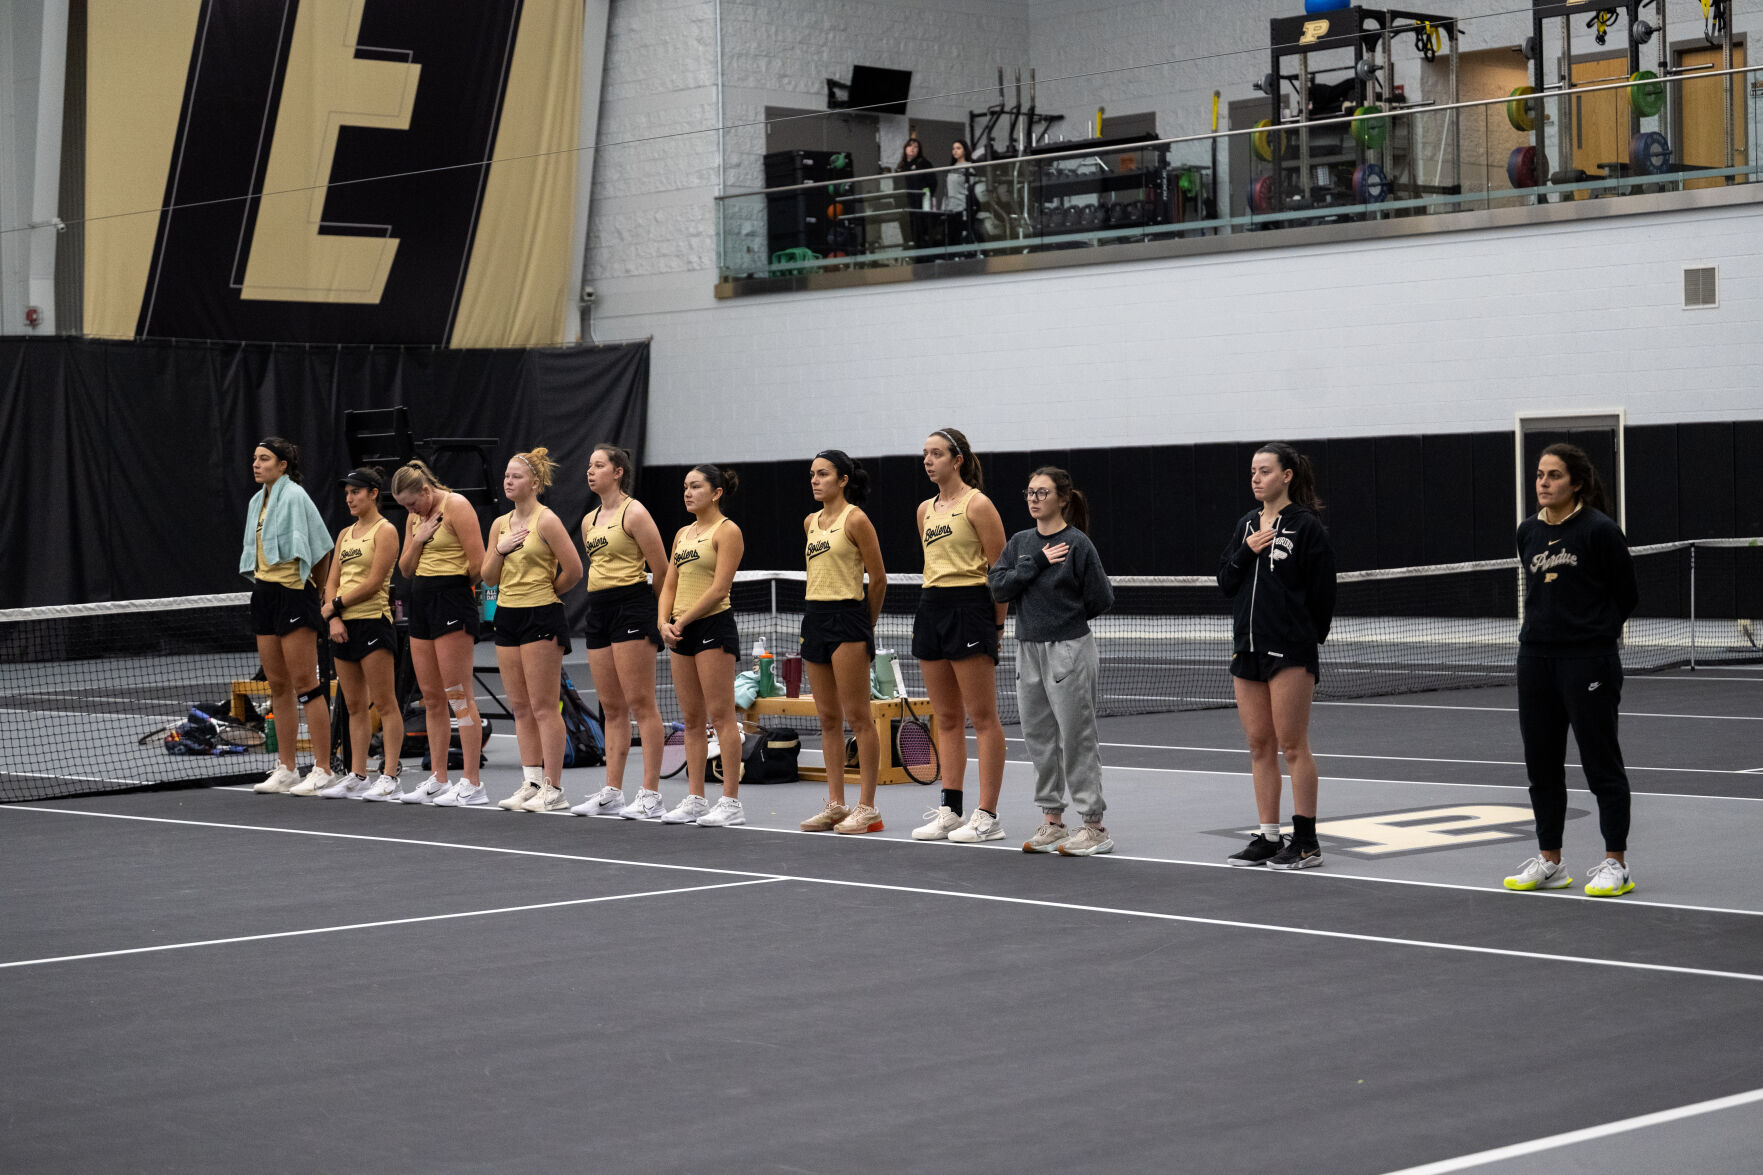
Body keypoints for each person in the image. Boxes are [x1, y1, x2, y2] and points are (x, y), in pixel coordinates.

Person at [1503, 444, 1639, 898]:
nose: (1543, 482)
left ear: (1576, 483)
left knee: (1601, 764)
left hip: (1588, 662)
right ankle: (1550, 861)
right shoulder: (1527, 533)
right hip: (1535, 661)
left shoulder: (1600, 531)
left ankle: (1615, 863)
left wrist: (1592, 636)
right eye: (1540, 474)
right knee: (1541, 765)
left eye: (1554, 475)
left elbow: (1626, 595)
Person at [1216, 442, 1337, 870]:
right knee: (1258, 744)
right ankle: (1268, 837)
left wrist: (1303, 639)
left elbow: (1324, 594)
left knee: (1292, 745)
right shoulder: (1246, 524)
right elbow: (1225, 581)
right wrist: (1246, 550)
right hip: (1246, 648)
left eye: (1264, 471)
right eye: (1252, 471)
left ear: (1286, 476)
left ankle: (1306, 842)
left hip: (1288, 650)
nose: (1256, 478)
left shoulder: (1307, 528)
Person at [989, 468, 1115, 856]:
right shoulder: (1020, 542)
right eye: (1029, 492)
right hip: (1027, 648)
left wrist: (1064, 622)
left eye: (1042, 492)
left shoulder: (1078, 544)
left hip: (1068, 648)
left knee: (1076, 736)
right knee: (1039, 737)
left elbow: (1101, 598)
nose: (1034, 498)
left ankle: (1093, 826)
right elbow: (998, 585)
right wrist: (1037, 563)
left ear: (1062, 498)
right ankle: (1053, 822)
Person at [910, 428, 1009, 844]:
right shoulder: (924, 510)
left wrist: (998, 625)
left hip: (970, 609)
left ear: (958, 459)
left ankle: (987, 815)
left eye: (937, 454)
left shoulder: (978, 504)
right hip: (931, 608)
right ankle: (951, 809)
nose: (929, 460)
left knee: (982, 717)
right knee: (946, 718)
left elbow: (1000, 570)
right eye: (925, 454)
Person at [569, 444, 670, 819]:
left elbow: (661, 569)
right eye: (588, 465)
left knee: (641, 704)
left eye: (598, 465)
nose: (590, 471)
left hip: (633, 605)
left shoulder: (636, 512)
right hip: (599, 609)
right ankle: (612, 791)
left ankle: (651, 793)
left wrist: (657, 616)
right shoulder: (588, 520)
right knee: (612, 707)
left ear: (618, 472)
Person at [482, 447, 584, 814]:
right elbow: (488, 576)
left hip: (541, 615)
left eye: (517, 476)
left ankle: (554, 788)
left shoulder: (547, 521)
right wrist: (501, 548)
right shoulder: (499, 525)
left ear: (535, 483)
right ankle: (532, 781)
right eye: (506, 476)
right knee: (521, 706)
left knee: (544, 706)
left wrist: (547, 593)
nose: (509, 481)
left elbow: (573, 570)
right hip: (507, 616)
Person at [796, 450, 888, 835]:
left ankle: (868, 808)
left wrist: (863, 625)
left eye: (823, 474)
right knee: (827, 718)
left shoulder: (857, 519)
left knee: (859, 717)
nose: (815, 480)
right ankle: (836, 804)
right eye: (813, 474)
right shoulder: (810, 522)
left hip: (848, 618)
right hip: (814, 618)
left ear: (843, 480)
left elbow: (878, 578)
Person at [243, 437, 337, 796]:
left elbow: (321, 545)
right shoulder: (257, 502)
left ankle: (323, 768)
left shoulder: (296, 497)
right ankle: (286, 768)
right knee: (277, 684)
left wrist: (318, 589)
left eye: (264, 458)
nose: (256, 464)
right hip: (265, 593)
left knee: (306, 684)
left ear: (282, 465)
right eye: (255, 458)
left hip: (295, 594)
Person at [390, 460, 486, 805]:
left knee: (458, 694)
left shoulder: (457, 506)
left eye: (412, 503)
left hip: (452, 601)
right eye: (404, 506)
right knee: (431, 696)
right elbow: (405, 568)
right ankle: (439, 778)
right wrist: (418, 538)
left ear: (426, 491)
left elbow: (479, 564)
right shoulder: (413, 518)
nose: (410, 509)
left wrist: (454, 588)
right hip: (421, 601)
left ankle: (472, 782)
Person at [655, 464, 746, 827]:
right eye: (685, 487)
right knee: (692, 719)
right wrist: (663, 622)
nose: (687, 493)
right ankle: (695, 798)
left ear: (716, 492)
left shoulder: (728, 532)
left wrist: (682, 620)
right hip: (679, 629)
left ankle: (731, 802)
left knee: (721, 716)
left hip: (712, 626)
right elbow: (669, 585)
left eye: (695, 487)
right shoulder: (682, 534)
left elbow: (719, 589)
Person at [315, 468, 404, 799]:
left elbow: (374, 582)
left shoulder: (386, 531)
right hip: (343, 625)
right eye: (347, 493)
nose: (350, 498)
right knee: (353, 705)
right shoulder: (344, 534)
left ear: (373, 494)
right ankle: (358, 774)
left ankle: (390, 775)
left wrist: (334, 604)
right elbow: (332, 579)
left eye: (356, 492)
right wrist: (334, 617)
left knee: (384, 702)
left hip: (373, 622)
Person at [895, 137, 938, 255]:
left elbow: (932, 183)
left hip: (919, 206)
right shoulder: (901, 168)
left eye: (916, 147)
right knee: (907, 235)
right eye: (910, 146)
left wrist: (925, 198)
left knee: (920, 234)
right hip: (904, 208)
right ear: (905, 148)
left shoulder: (923, 164)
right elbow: (896, 188)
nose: (912, 149)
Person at [945, 139, 985, 246]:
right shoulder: (951, 168)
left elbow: (972, 188)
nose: (955, 151)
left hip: (963, 207)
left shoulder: (969, 166)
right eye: (953, 149)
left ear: (965, 150)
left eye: (958, 148)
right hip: (951, 208)